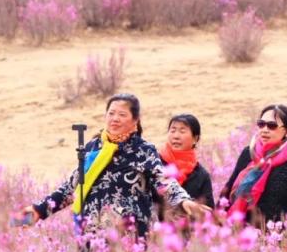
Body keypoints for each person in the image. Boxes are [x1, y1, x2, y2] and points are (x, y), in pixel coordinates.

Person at [21, 94, 211, 238]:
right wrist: (38, 211)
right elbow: (71, 187)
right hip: (91, 238)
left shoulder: (143, 150)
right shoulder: (93, 148)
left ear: (135, 121)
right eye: (111, 113)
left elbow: (164, 181)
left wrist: (183, 201)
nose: (115, 118)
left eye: (122, 114)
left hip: (129, 239)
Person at [220, 104, 287, 233]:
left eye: (272, 126)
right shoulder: (248, 154)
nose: (264, 129)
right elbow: (227, 196)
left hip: (281, 240)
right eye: (261, 124)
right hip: (244, 239)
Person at [154, 114, 215, 222]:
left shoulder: (201, 175)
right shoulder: (155, 164)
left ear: (195, 139)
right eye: (173, 130)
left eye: (182, 131)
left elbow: (207, 211)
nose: (176, 136)